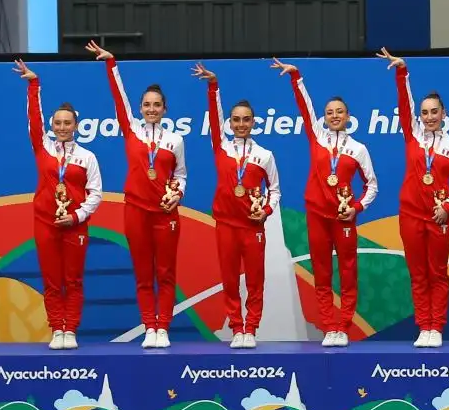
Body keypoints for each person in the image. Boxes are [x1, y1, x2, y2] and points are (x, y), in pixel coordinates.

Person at [88, 41, 186, 348]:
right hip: (136, 212)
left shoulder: (175, 139)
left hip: (166, 214)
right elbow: (119, 98)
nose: (152, 109)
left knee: (166, 273)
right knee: (144, 273)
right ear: (141, 108)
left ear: (165, 109)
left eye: (157, 105)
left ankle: (164, 327)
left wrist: (177, 194)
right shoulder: (131, 130)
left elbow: (180, 175)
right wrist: (111, 63)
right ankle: (149, 327)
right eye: (147, 105)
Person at [273, 58, 377, 346]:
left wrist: (355, 208)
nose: (334, 116)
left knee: (347, 271)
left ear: (348, 117)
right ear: (325, 117)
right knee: (321, 271)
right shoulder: (317, 137)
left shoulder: (358, 149)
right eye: (330, 112)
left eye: (339, 112)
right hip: (317, 215)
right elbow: (305, 109)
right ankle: (329, 326)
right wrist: (297, 78)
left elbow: (372, 186)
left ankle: (344, 325)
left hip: (344, 219)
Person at [380, 48, 449, 347]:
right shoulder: (414, 137)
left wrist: (448, 207)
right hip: (411, 216)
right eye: (425, 113)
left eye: (434, 112)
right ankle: (424, 327)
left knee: (438, 273)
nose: (429, 117)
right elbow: (403, 106)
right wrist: (402, 71)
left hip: (440, 217)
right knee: (418, 275)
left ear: (444, 114)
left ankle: (438, 327)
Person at [13, 60, 102, 350]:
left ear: (76, 126)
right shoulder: (43, 148)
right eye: (58, 123)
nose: (62, 127)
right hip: (46, 223)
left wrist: (76, 216)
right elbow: (34, 119)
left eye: (67, 123)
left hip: (74, 225)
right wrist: (33, 84)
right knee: (52, 281)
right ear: (52, 126)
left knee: (73, 280)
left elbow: (96, 193)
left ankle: (71, 329)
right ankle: (57, 329)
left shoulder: (87, 157)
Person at [194, 64, 281, 348]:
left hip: (252, 227)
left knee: (255, 281)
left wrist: (265, 211)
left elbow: (276, 191)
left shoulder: (265, 155)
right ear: (229, 124)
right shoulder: (222, 147)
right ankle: (236, 327)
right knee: (230, 280)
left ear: (253, 123)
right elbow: (214, 112)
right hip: (226, 225)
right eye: (236, 120)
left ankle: (252, 328)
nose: (241, 124)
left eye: (246, 120)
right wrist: (213, 85)